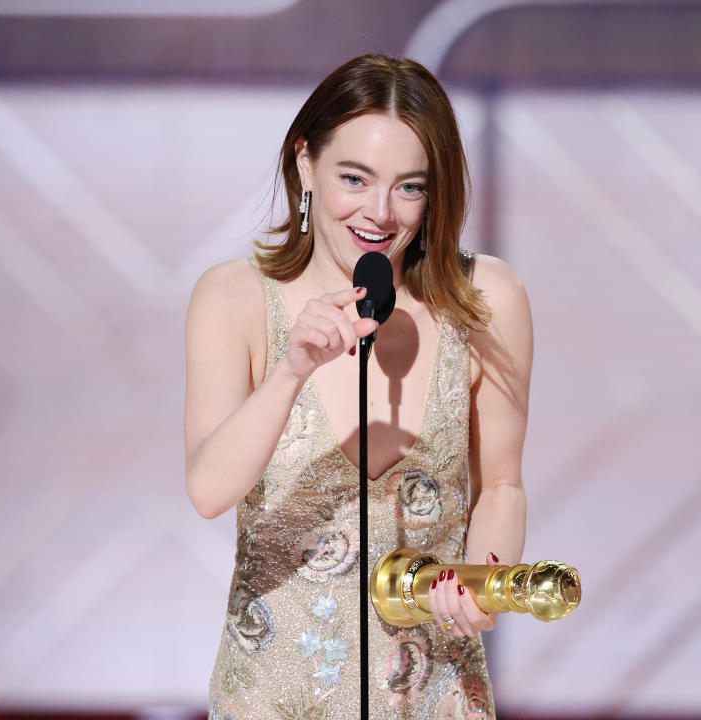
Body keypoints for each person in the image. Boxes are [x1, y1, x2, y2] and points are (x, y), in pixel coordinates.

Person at [184, 53, 532, 720]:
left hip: (433, 698)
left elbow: (502, 485)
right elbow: (208, 489)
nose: (379, 212)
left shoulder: (487, 299)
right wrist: (291, 370)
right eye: (354, 178)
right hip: (272, 698)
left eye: (409, 187)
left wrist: (482, 580)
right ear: (303, 162)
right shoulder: (234, 299)